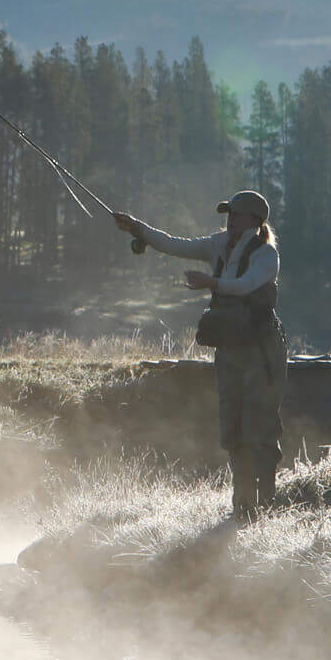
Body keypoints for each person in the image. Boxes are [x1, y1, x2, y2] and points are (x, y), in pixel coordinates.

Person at [113, 190, 286, 520]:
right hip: (230, 349)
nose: (229, 218)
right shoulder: (218, 244)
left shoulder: (266, 256)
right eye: (228, 213)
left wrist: (211, 282)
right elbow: (175, 244)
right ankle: (243, 507)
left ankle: (266, 506)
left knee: (260, 429)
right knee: (233, 428)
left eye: (235, 213)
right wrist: (138, 229)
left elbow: (246, 286)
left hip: (262, 352)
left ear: (253, 219)